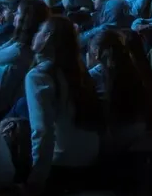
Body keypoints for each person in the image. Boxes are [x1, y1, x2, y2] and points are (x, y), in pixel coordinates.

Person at [24, 16, 102, 191]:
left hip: (62, 163)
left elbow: (43, 131)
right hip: (90, 158)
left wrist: (36, 180)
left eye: (39, 31)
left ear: (47, 37)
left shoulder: (39, 76)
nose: (35, 34)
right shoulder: (78, 70)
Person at [87, 28, 151, 154]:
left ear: (96, 52)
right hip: (138, 134)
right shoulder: (135, 69)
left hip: (111, 140)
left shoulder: (94, 76)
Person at [0, 0, 48, 118]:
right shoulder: (30, 45)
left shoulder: (20, 50)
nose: (14, 15)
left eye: (17, 13)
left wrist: (15, 38)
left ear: (25, 20)